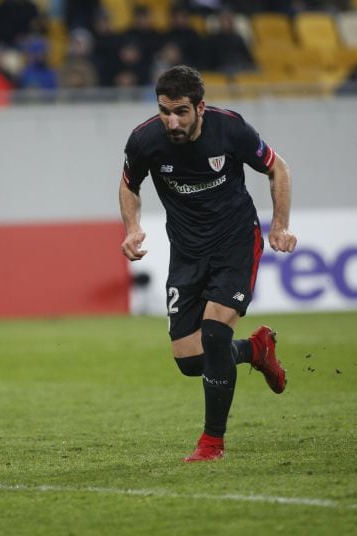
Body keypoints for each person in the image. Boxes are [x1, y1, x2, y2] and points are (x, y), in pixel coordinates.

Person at [119, 66, 297, 462]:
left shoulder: (230, 130)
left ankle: (212, 443)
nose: (172, 121)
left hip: (235, 242)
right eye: (165, 111)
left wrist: (280, 225)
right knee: (190, 360)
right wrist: (132, 227)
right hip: (187, 253)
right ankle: (255, 349)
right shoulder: (145, 139)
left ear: (200, 107)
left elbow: (277, 167)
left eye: (181, 111)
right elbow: (129, 184)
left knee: (215, 335)